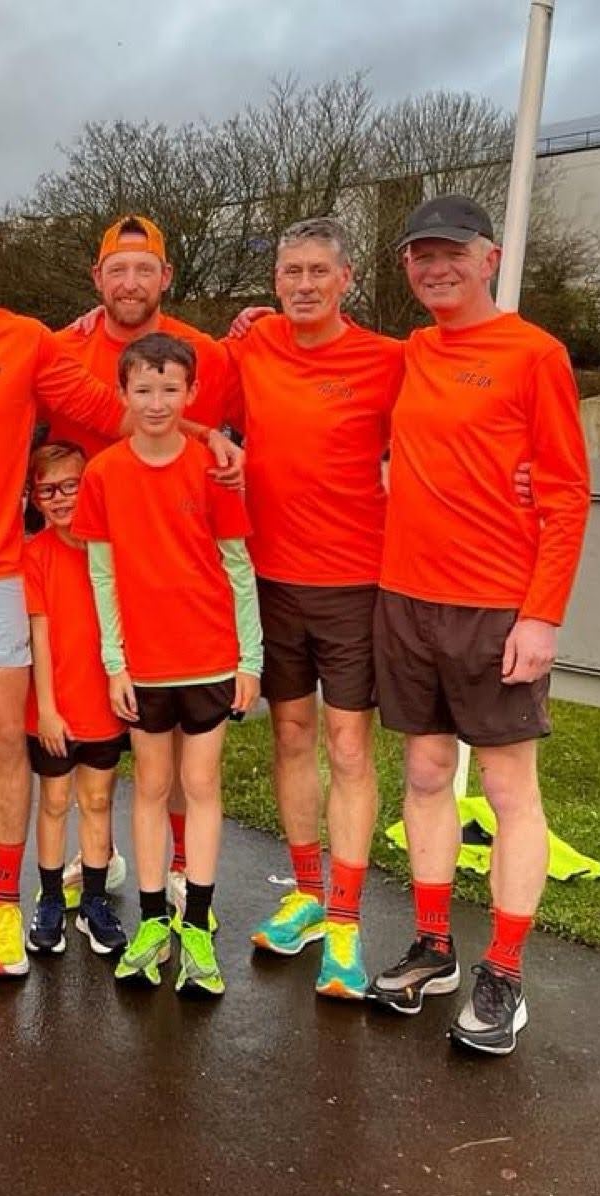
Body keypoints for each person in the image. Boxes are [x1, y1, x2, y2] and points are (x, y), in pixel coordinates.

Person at [0, 197, 241, 978]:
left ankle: (4, 901)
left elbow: (113, 410)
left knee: (4, 742)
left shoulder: (25, 342)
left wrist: (208, 438)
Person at [364, 196, 590, 1055]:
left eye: (451, 252)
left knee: (504, 791)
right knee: (426, 774)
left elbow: (566, 493)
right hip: (407, 599)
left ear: (488, 257)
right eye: (420, 256)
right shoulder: (413, 353)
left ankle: (504, 972)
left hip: (499, 607)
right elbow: (319, 357)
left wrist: (542, 616)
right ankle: (434, 948)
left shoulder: (535, 354)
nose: (435, 267)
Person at [211, 218, 406, 999]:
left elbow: (452, 433)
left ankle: (349, 921)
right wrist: (221, 447)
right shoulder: (252, 347)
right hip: (271, 579)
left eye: (317, 271)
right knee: (290, 735)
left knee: (349, 745)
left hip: (356, 582)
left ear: (346, 279)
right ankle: (305, 893)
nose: (302, 284)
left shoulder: (388, 360)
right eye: (290, 271)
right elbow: (169, 387)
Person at [49, 215, 237, 914]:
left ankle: (186, 867)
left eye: (144, 268)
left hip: (178, 564)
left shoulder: (206, 353)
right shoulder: (62, 347)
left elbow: (224, 430)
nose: (131, 283)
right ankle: (95, 852)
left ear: (166, 276)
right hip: (88, 552)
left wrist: (216, 436)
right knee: (89, 715)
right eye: (117, 270)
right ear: (97, 279)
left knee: (181, 743)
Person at [74, 332, 261, 996]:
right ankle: (154, 918)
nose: (156, 403)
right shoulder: (104, 474)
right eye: (143, 390)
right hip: (145, 668)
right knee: (151, 788)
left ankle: (199, 924)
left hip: (209, 658)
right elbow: (102, 576)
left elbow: (239, 568)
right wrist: (114, 663)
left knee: (202, 787)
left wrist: (251, 659)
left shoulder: (211, 468)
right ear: (123, 394)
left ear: (192, 394)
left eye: (170, 390)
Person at [22, 441, 129, 958]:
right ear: (35, 497)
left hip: (103, 705)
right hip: (54, 708)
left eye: (73, 485)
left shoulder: (112, 549)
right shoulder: (35, 554)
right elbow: (39, 635)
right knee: (56, 802)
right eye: (49, 489)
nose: (63, 498)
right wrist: (45, 708)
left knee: (98, 801)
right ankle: (47, 899)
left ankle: (92, 900)